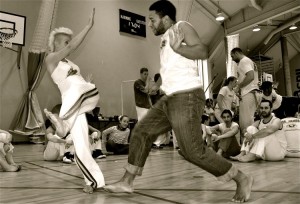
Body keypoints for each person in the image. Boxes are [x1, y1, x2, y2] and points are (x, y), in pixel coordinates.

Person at [104, 1, 253, 202]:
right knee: (141, 131)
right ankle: (127, 182)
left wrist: (179, 48)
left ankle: (241, 178)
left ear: (165, 18)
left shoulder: (181, 27)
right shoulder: (165, 39)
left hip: (187, 95)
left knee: (192, 151)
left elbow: (202, 51)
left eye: (151, 19)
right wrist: (157, 85)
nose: (149, 24)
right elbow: (171, 68)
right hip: (170, 97)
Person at [43, 9, 104, 193]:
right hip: (72, 98)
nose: (69, 44)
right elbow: (71, 48)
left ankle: (63, 125)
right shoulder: (51, 59)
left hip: (78, 101)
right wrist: (88, 26)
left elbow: (78, 79)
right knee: (81, 143)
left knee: (82, 142)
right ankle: (92, 181)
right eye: (65, 42)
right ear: (55, 45)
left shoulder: (70, 63)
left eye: (69, 41)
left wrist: (87, 81)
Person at [231, 47, 259, 139]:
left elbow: (250, 76)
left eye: (232, 56)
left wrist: (239, 86)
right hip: (252, 92)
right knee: (250, 121)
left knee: (245, 123)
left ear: (236, 53)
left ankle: (246, 147)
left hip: (248, 93)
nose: (232, 59)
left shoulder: (243, 61)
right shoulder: (250, 61)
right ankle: (251, 146)